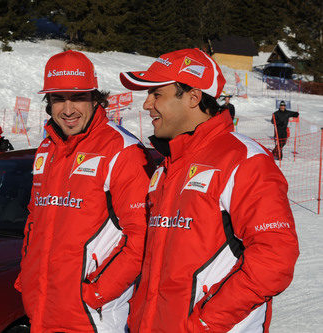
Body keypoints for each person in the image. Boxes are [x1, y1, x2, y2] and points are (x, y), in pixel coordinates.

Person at [120, 48, 299, 332]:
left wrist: (205, 321)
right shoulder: (167, 163)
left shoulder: (244, 159)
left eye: (157, 94)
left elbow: (275, 259)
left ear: (193, 96)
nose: (146, 104)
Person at [15, 50, 152, 332]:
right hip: (43, 307)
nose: (67, 109)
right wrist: (27, 277)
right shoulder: (47, 148)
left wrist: (96, 293)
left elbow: (142, 236)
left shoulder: (121, 150)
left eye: (77, 98)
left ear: (95, 98)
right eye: (58, 99)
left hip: (92, 317)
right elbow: (34, 220)